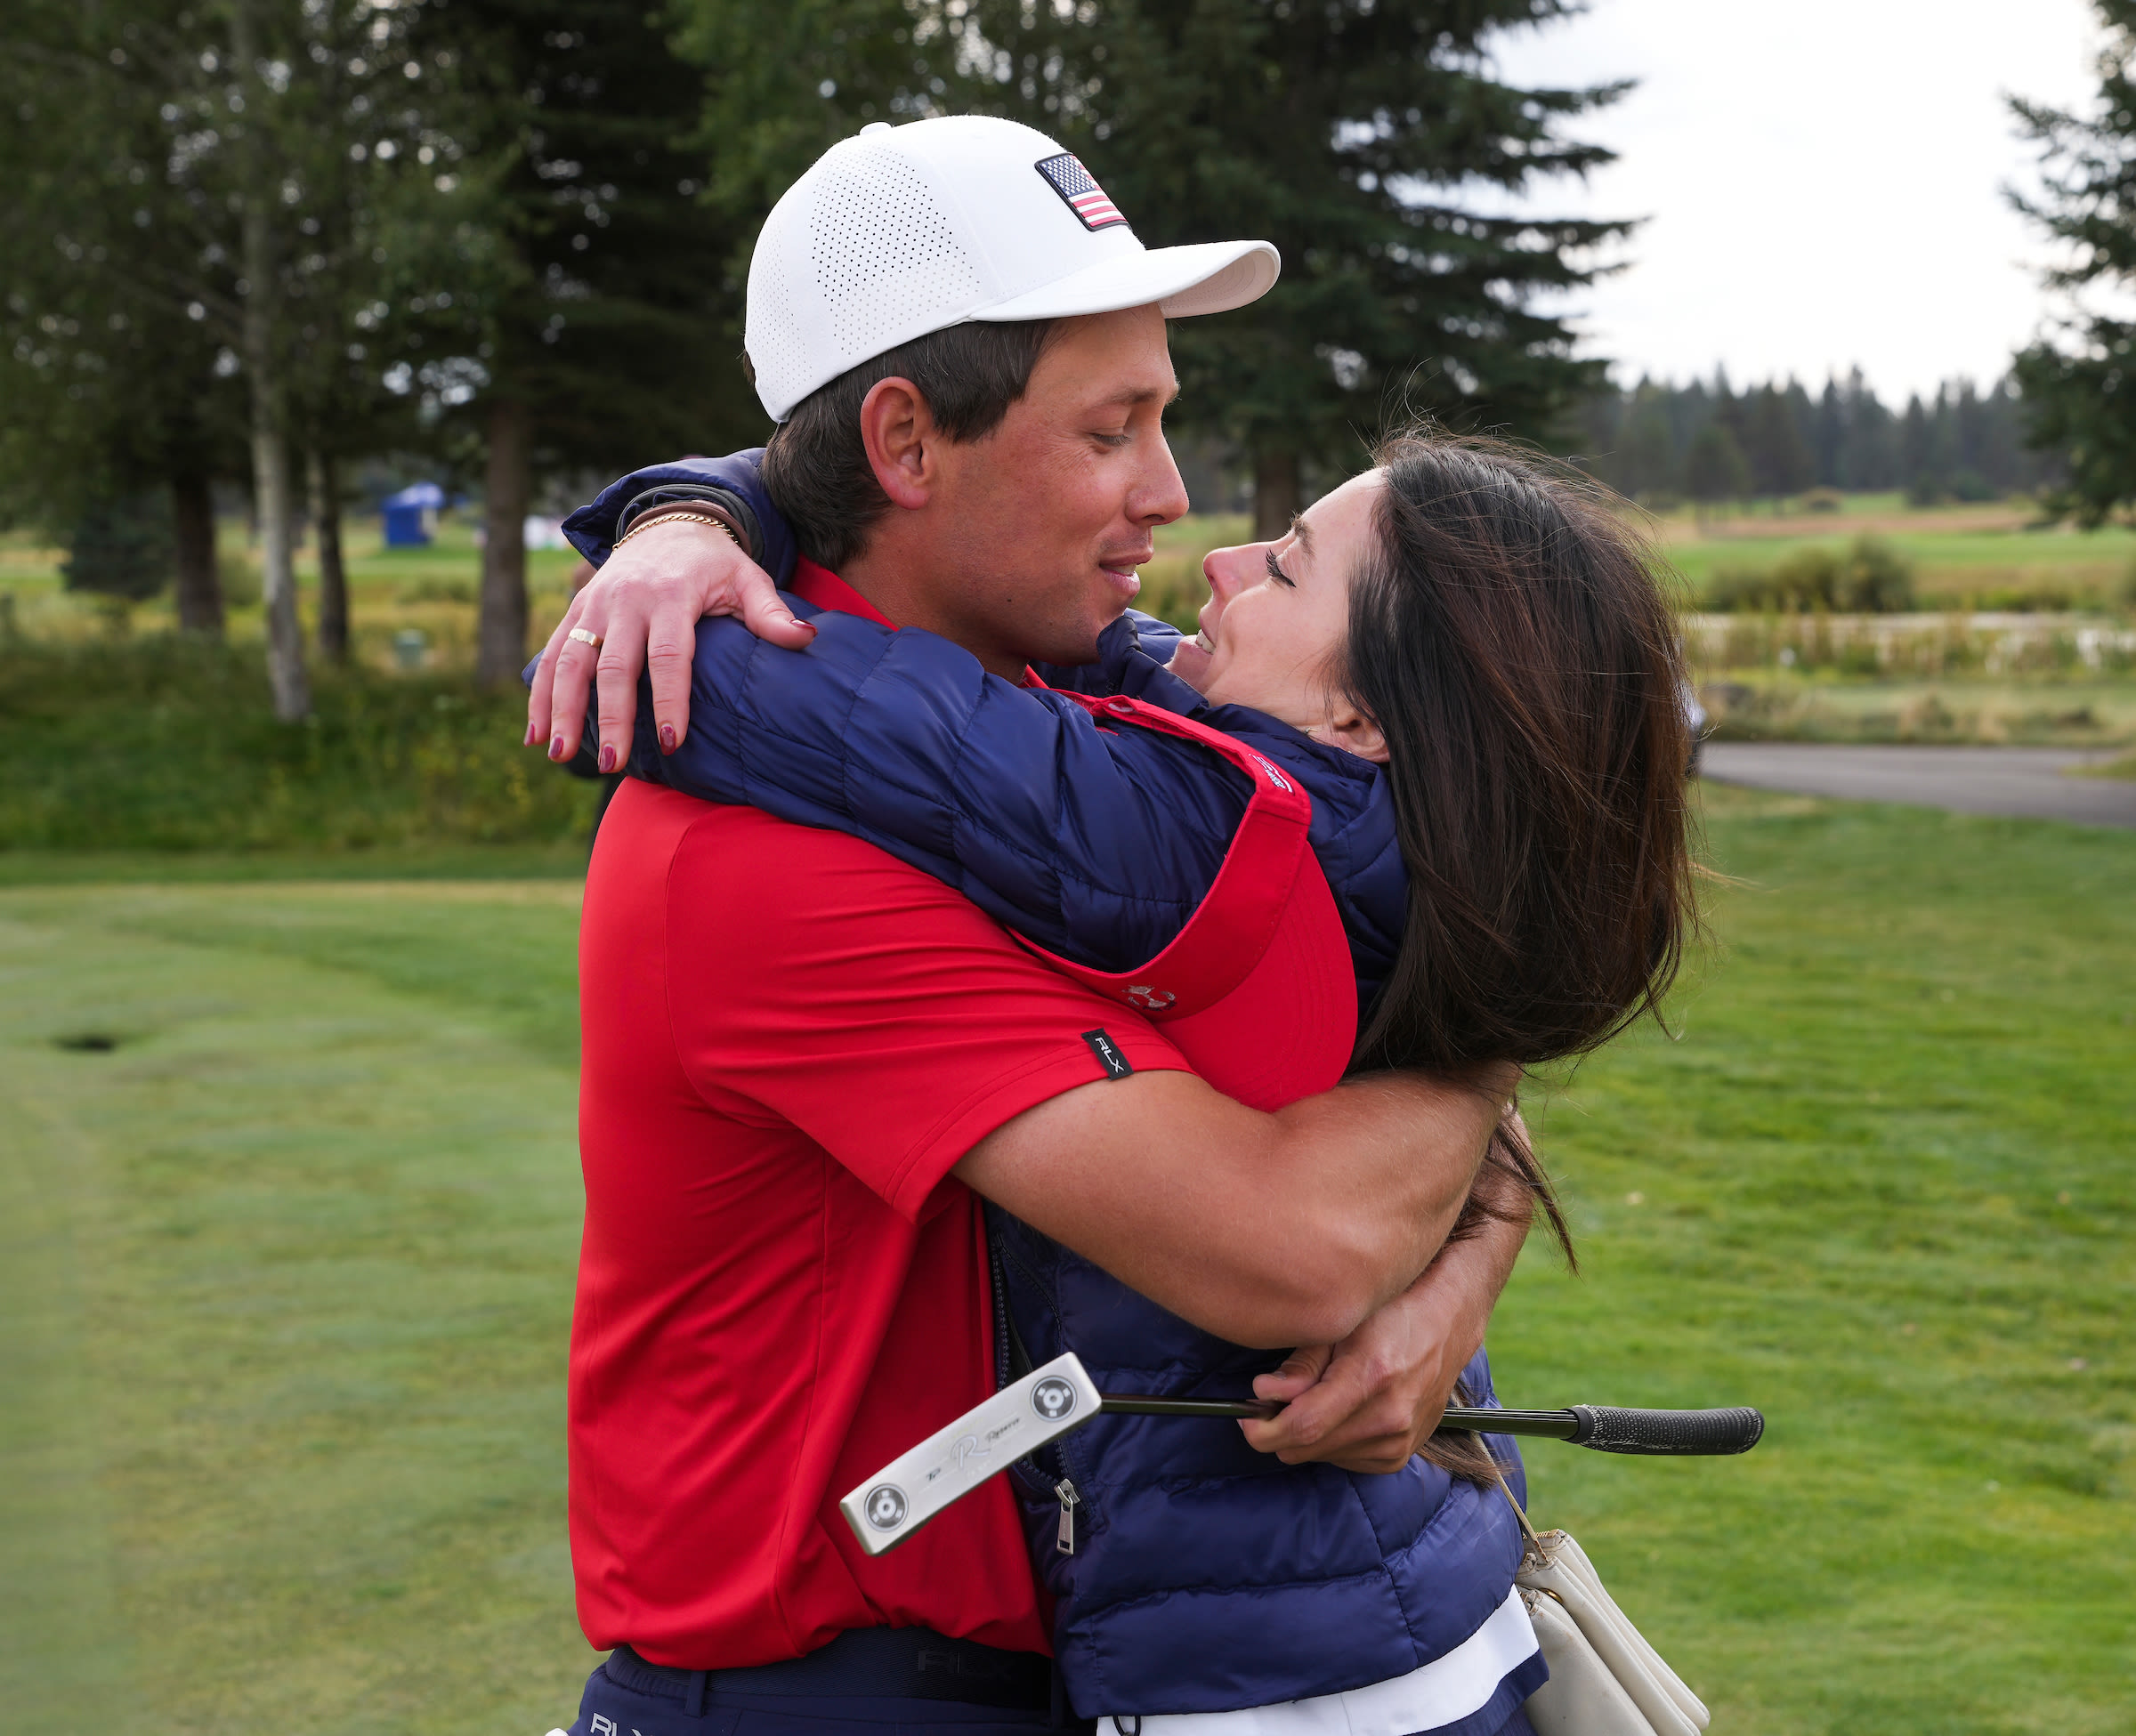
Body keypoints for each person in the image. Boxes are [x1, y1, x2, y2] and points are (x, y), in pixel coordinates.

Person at [535, 116, 1533, 1736]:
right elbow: (1295, 1239)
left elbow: (1378, 973)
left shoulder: (1059, 714)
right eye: (1113, 428)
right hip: (825, 1694)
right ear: (908, 443)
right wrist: (1485, 1070)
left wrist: (1459, 1282)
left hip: (1033, 1670)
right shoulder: (761, 859)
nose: (1171, 491)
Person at [555, 428, 1695, 1731]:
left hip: (1268, 1679)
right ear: (909, 444)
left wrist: (648, 584)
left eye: (1283, 567)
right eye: (1107, 430)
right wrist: (693, 513)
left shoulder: (1181, 830)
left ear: (1363, 716)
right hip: (1387, 1604)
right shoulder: (1361, 813)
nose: (1194, 530)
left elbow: (802, 704)